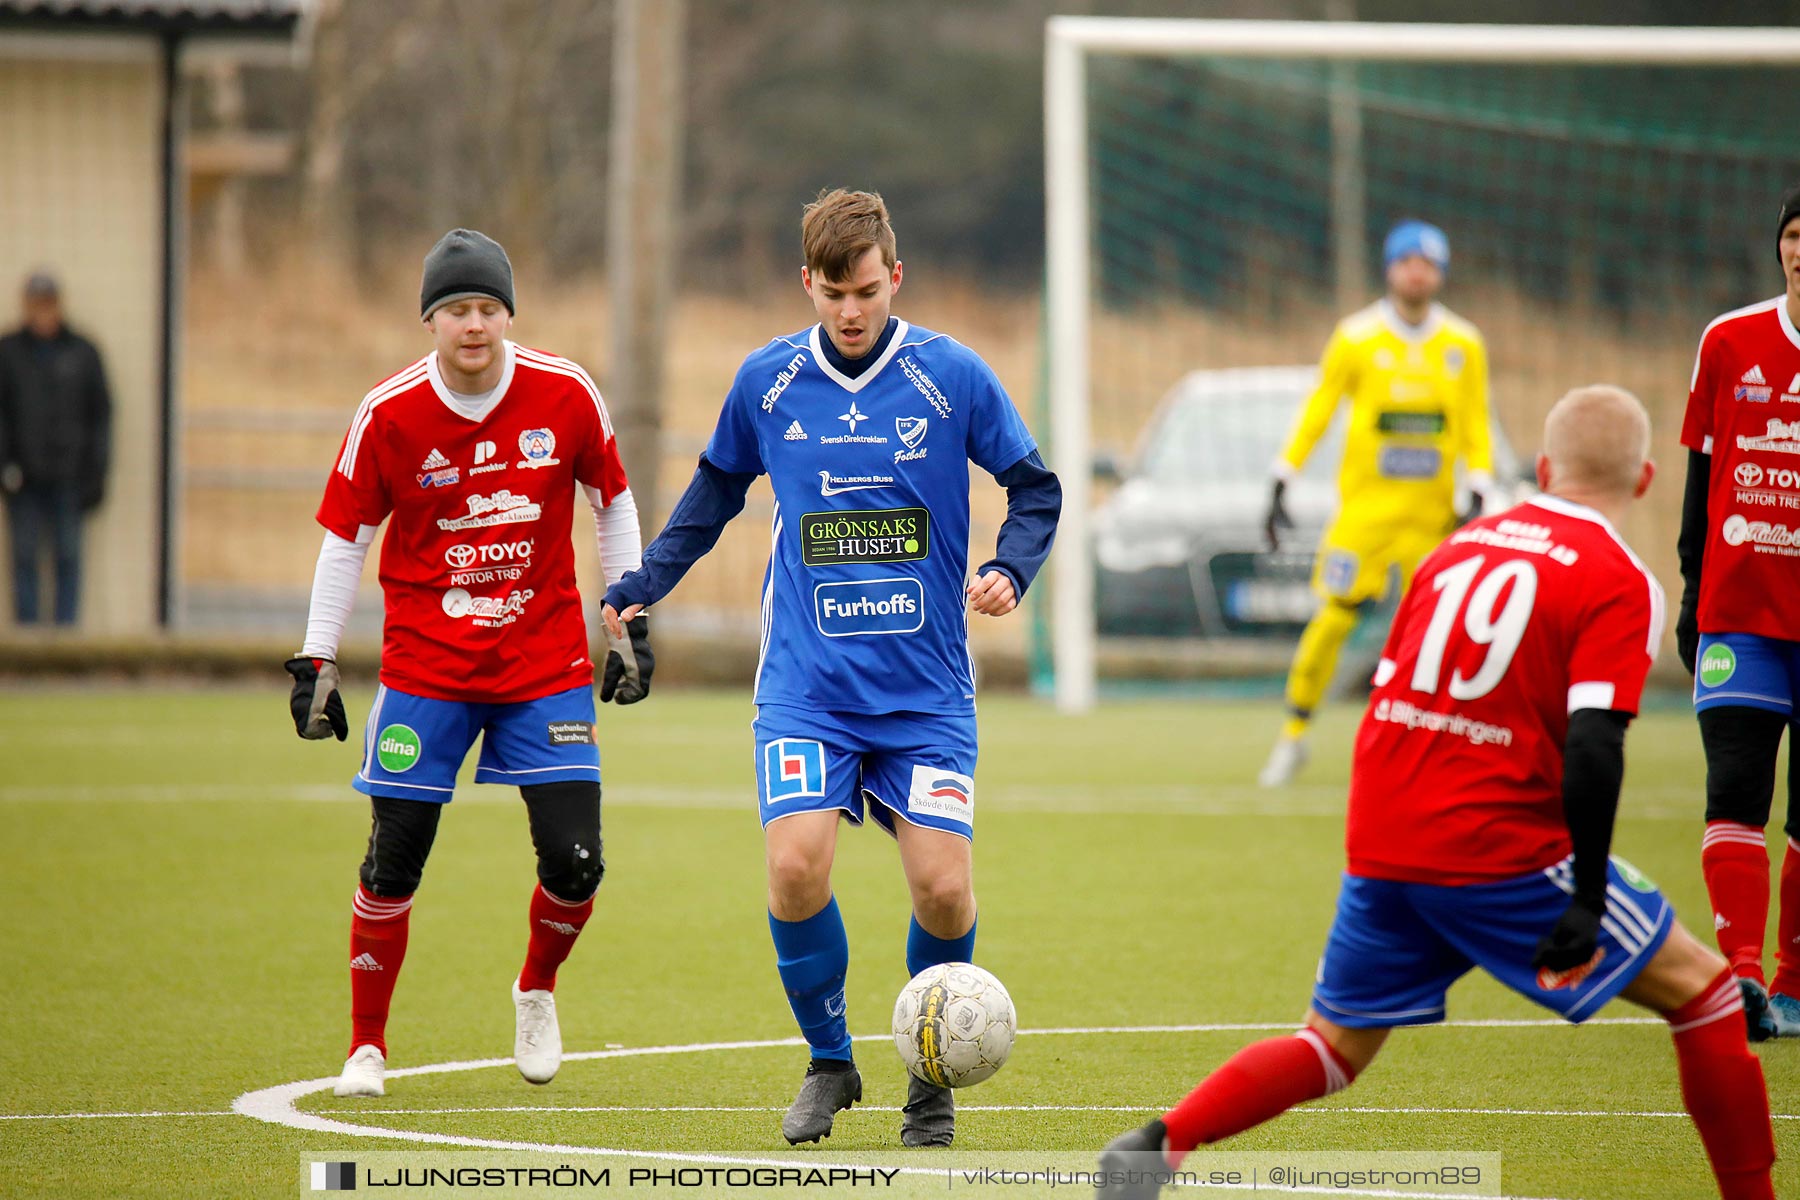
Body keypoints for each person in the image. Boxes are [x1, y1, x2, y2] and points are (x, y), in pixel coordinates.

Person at [1099, 387, 1777, 1200]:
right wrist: (1589, 896)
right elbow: (1596, 743)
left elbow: (1398, 692)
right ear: (1645, 481)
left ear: (1547, 467)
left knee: (1332, 1048)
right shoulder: (1617, 576)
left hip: (1385, 833)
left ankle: (1158, 1147)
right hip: (1496, 851)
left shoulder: (1457, 549)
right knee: (1704, 996)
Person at [602, 189, 1060, 1147]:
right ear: (805, 283)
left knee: (942, 889)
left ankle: (929, 1077)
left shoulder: (953, 376)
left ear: (895, 276)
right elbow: (716, 489)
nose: (850, 312)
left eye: (866, 290)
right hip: (807, 688)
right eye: (831, 293)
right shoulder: (769, 382)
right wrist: (645, 580)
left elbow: (1034, 488)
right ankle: (829, 1061)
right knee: (794, 868)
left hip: (926, 691)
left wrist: (1008, 570)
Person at [284, 228, 651, 1098]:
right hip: (426, 671)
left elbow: (614, 502)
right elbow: (347, 541)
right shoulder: (389, 412)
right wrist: (315, 659)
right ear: (431, 320)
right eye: (456, 309)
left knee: (577, 862)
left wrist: (627, 618)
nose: (474, 325)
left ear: (508, 314)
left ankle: (536, 990)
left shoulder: (565, 393)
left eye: (488, 307)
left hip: (545, 662)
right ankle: (366, 1045)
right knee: (393, 859)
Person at [1258, 220, 1497, 787]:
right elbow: (1320, 407)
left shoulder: (1463, 344)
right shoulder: (1357, 337)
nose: (1418, 272)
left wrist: (1481, 482)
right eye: (1408, 261)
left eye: (1429, 263)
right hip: (1365, 517)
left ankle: (1437, 748)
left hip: (1430, 520)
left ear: (1439, 274)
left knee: (1442, 635)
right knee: (1331, 621)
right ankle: (1293, 737)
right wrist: (1281, 477)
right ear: (1390, 269)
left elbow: (1475, 424)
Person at [1677, 182, 1800, 1041]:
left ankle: (1792, 986)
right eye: (1793, 234)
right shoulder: (1729, 340)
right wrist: (1692, 591)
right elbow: (1698, 473)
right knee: (1735, 792)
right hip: (1739, 615)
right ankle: (1744, 983)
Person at [0, 271, 112, 626]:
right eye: (37, 305)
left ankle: (65, 641)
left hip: (70, 479)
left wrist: (96, 474)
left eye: (48, 305)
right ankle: (29, 642)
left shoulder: (82, 352)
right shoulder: (9, 353)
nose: (43, 314)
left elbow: (101, 418)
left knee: (68, 558)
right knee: (24, 560)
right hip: (24, 480)